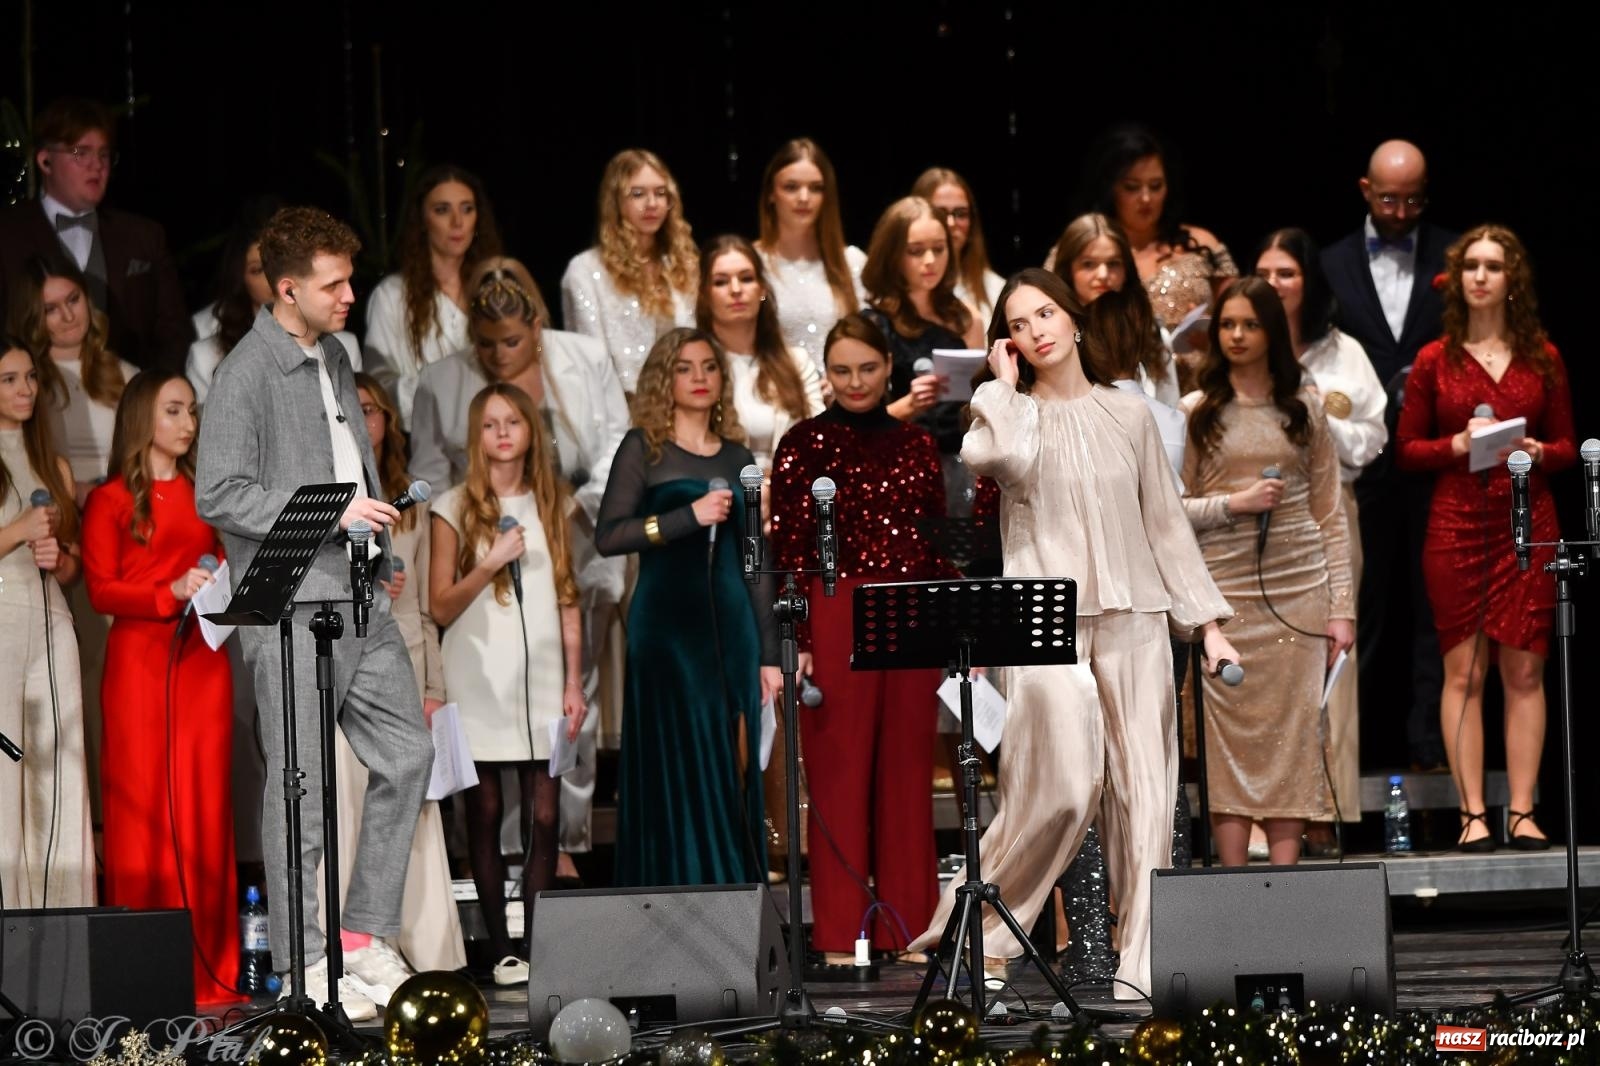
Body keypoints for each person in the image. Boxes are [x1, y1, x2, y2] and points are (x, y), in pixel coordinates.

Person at [911, 269, 1237, 1001]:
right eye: (1019, 325)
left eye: (1046, 313)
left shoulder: (1130, 416)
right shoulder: (1011, 416)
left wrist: (1208, 625)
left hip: (1137, 616)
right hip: (1044, 622)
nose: (1037, 331)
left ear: (1075, 320)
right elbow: (998, 462)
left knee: (1149, 798)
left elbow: (1166, 525)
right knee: (1056, 785)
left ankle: (1142, 967)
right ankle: (982, 936)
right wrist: (997, 384)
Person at [195, 206, 433, 1021]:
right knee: (298, 788)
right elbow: (217, 494)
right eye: (334, 284)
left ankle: (363, 936)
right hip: (292, 603)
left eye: (350, 280)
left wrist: (377, 549)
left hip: (360, 596)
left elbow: (353, 458)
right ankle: (304, 959)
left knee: (407, 754)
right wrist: (329, 514)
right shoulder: (243, 375)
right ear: (288, 288)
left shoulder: (333, 354)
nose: (348, 296)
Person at [409, 257, 628, 870]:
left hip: (573, 533)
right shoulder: (441, 380)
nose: (500, 355)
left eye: (512, 341)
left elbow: (616, 442)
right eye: (487, 344)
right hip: (481, 547)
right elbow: (429, 475)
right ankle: (498, 854)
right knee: (490, 726)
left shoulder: (582, 359)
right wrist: (471, 528)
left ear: (536, 326)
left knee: (566, 700)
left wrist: (577, 514)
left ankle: (561, 846)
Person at [769, 312, 952, 965]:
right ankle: (843, 933)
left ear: (889, 368)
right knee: (839, 774)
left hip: (908, 610)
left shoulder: (916, 446)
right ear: (826, 372)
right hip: (833, 605)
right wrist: (798, 634)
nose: (854, 381)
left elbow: (935, 546)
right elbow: (789, 547)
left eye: (867, 368)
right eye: (841, 370)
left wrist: (947, 623)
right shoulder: (800, 444)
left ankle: (905, 931)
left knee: (906, 776)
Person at [1397, 224, 1574, 852]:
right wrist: (1457, 444)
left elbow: (1567, 446)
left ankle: (1522, 810)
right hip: (1457, 524)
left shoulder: (1542, 357)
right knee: (1463, 673)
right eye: (1470, 264)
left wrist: (1535, 448)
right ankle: (1473, 813)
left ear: (1510, 279)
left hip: (1527, 521)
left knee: (1525, 673)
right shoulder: (1434, 359)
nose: (1479, 276)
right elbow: (1408, 449)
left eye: (1492, 266)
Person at [1178, 277, 1355, 867]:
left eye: (1249, 325)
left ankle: (1286, 890)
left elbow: (1330, 515)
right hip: (1224, 602)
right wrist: (1236, 503)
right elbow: (1169, 514)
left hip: (1299, 592)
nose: (1235, 335)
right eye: (1227, 324)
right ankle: (1234, 889)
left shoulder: (1304, 409)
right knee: (1229, 743)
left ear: (1271, 332)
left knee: (1294, 743)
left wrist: (1341, 609)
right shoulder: (1197, 413)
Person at [595, 328, 780, 886]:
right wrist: (684, 518)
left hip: (730, 626)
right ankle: (677, 890)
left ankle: (732, 892)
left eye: (709, 367)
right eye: (685, 368)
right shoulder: (642, 448)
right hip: (666, 632)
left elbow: (755, 562)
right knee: (677, 760)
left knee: (729, 763)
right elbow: (610, 536)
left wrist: (769, 652)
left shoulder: (739, 455)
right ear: (664, 380)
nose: (699, 378)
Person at [82, 370, 239, 1004]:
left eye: (191, 411)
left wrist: (222, 577)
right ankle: (144, 973)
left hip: (203, 663)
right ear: (144, 417)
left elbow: (232, 569)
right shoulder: (111, 500)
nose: (189, 422)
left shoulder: (210, 497)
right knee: (144, 810)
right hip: (141, 666)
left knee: (203, 806)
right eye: (174, 410)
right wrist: (164, 591)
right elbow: (99, 589)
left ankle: (211, 969)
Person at [431, 383, 587, 985]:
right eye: (490, 423)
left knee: (545, 814)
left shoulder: (556, 504)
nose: (502, 432)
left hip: (544, 677)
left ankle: (539, 941)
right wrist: (492, 560)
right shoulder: (453, 507)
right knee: (487, 808)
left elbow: (569, 599)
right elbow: (440, 604)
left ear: (529, 430)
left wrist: (575, 681)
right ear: (477, 435)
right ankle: (499, 949)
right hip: (479, 677)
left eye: (512, 421)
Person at [1321, 139, 1458, 772]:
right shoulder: (1331, 263)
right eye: (1387, 199)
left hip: (1436, 459)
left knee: (1435, 613)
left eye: (1413, 200)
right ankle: (1354, 758)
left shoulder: (1454, 257)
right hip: (1361, 464)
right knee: (1358, 608)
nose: (1400, 213)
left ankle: (1431, 748)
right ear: (1363, 190)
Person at [322, 373, 465, 974]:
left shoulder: (412, 503)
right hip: (345, 672)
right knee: (349, 807)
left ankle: (414, 946)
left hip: (402, 668)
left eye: (372, 410)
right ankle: (351, 946)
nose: (364, 420)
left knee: (408, 798)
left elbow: (430, 614)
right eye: (351, 411)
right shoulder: (327, 499)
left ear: (386, 421)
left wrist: (433, 689)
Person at [1255, 228, 1387, 845]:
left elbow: (1374, 436)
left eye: (1287, 273)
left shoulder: (1341, 354)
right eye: (1266, 273)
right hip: (1256, 522)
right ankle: (1263, 811)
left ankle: (1324, 811)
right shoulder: (1242, 347)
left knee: (1333, 654)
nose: (1275, 284)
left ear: (1308, 281)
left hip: (1327, 510)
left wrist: (1319, 420)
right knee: (1263, 662)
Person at [0, 340, 94, 909]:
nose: (25, 390)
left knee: (59, 774)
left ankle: (61, 926)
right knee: (5, 778)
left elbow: (74, 565)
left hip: (51, 623)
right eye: (9, 379)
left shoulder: (53, 464)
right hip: (3, 622)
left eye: (30, 378)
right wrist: (17, 529)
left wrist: (61, 558)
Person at [0, 97, 192, 372]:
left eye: (103, 154)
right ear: (44, 160)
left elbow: (174, 333)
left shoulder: (144, 236)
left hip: (129, 399)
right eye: (81, 152)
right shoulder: (6, 234)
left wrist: (148, 399)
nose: (97, 165)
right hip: (35, 403)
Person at [1073, 124, 1236, 387]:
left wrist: (1216, 335)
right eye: (1132, 187)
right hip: (1110, 388)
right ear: (1110, 188)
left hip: (1202, 392)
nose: (1146, 198)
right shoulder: (1083, 248)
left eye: (1155, 186)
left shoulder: (1202, 243)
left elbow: (1244, 314)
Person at [859, 197, 984, 511]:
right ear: (893, 255)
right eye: (916, 251)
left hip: (960, 471)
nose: (930, 260)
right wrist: (909, 405)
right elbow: (856, 426)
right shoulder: (873, 325)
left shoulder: (966, 319)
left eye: (939, 249)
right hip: (894, 470)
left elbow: (981, 407)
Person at [188, 198, 362, 408]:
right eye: (258, 270)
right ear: (240, 279)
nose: (271, 280)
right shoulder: (207, 356)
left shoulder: (344, 348)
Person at [365, 166, 502, 427]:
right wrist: (445, 384)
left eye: (467, 209)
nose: (457, 222)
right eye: (442, 210)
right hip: (424, 443)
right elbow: (378, 388)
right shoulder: (392, 295)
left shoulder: (496, 286)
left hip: (496, 435)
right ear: (423, 221)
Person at [562, 149, 697, 394]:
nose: (652, 204)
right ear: (615, 201)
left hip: (683, 401)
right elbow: (590, 359)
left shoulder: (682, 264)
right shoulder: (585, 270)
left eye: (660, 193)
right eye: (638, 194)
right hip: (621, 406)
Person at [9, 252, 137, 503]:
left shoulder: (126, 373)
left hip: (125, 501)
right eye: (51, 309)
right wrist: (72, 491)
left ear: (88, 299)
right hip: (57, 508)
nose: (68, 316)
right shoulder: (24, 384)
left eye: (73, 299)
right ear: (32, 316)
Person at [697, 235, 824, 474]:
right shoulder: (693, 368)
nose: (736, 290)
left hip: (788, 495)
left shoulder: (796, 363)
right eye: (721, 282)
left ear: (762, 289)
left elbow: (817, 441)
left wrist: (774, 483)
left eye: (746, 279)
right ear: (705, 294)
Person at [754, 138, 865, 369]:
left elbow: (870, 343)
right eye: (791, 187)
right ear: (771, 194)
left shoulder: (852, 262)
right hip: (776, 395)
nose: (804, 198)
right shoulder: (752, 264)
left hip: (843, 396)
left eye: (816, 188)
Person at [1051, 212, 1179, 407]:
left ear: (1127, 270)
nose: (1103, 275)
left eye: (1113, 264)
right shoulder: (1051, 332)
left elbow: (1168, 406)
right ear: (1069, 270)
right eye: (1088, 264)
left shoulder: (1150, 331)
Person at [912, 167, 1005, 321]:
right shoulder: (894, 289)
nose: (951, 223)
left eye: (961, 214)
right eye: (940, 213)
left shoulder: (996, 289)